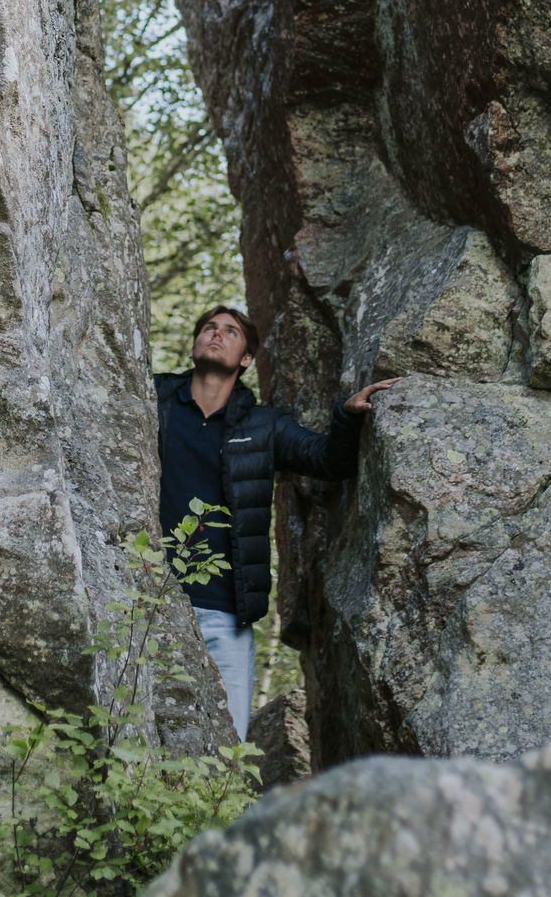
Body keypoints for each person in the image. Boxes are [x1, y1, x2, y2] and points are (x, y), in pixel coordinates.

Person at [155, 305, 398, 739]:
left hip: (223, 610)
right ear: (194, 344)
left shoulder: (264, 425)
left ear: (246, 359)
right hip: (150, 598)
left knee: (226, 745)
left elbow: (330, 461)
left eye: (230, 332)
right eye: (208, 328)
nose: (216, 335)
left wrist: (347, 415)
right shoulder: (154, 399)